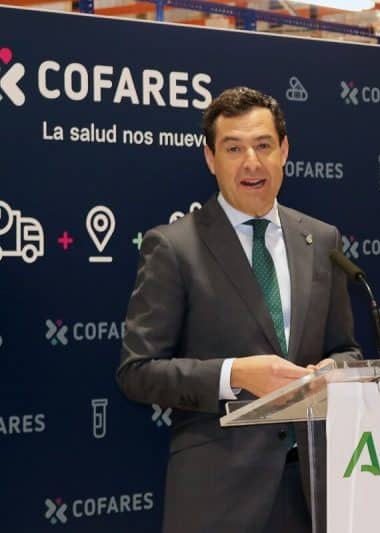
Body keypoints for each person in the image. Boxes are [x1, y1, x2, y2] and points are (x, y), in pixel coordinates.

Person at [117, 86, 361, 533]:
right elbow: (138, 372)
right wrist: (235, 375)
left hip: (316, 487)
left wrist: (334, 370)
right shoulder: (173, 246)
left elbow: (346, 349)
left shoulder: (321, 239)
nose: (252, 162)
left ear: (284, 151)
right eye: (233, 148)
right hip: (219, 493)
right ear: (210, 158)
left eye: (263, 145)